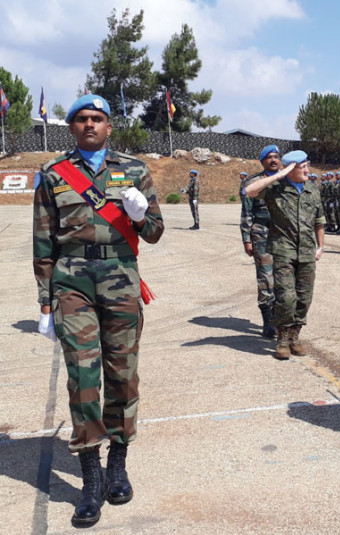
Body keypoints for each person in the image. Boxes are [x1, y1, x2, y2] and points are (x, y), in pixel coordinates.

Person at [33, 94, 164, 526]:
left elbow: (155, 232)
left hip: (120, 276)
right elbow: (43, 240)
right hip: (72, 281)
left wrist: (140, 216)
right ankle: (90, 476)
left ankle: (117, 465)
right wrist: (46, 301)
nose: (89, 124)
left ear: (109, 126)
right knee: (83, 377)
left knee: (123, 373)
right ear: (72, 127)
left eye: (97, 118)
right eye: (82, 118)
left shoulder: (134, 170)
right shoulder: (54, 173)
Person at [244, 151, 325, 359]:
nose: (307, 170)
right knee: (286, 297)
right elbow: (249, 191)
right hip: (283, 250)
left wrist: (321, 246)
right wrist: (279, 175)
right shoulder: (275, 188)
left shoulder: (312, 189)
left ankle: (294, 337)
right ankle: (282, 339)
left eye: (307, 165)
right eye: (302, 167)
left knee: (304, 298)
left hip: (307, 251)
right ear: (291, 170)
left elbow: (319, 221)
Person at [240, 145, 281, 338]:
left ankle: (280, 316)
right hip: (261, 233)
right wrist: (246, 239)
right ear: (262, 161)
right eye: (269, 157)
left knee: (284, 276)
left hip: (284, 234)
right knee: (266, 277)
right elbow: (247, 213)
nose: (273, 160)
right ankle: (268, 320)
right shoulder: (253, 182)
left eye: (276, 157)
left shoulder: (287, 179)